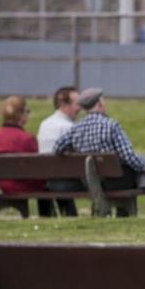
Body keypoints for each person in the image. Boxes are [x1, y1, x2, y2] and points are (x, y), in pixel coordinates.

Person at [53, 88, 145, 217]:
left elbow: (57, 148)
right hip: (117, 181)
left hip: (91, 182)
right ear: (99, 104)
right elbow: (128, 156)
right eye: (104, 101)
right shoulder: (111, 126)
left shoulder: (75, 128)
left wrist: (75, 150)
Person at [0, 96, 54, 217]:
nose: (27, 115)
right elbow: (39, 165)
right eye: (27, 111)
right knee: (49, 185)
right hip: (25, 185)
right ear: (20, 114)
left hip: (5, 185)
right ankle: (47, 216)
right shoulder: (26, 138)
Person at [36, 86, 81, 216]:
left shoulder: (44, 124)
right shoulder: (69, 127)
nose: (80, 108)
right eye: (76, 103)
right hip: (66, 181)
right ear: (63, 104)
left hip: (46, 181)